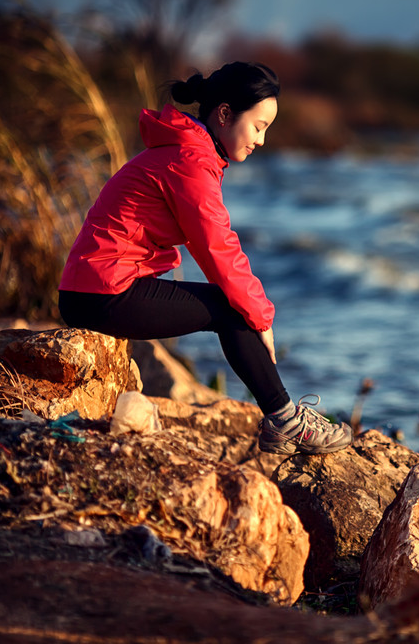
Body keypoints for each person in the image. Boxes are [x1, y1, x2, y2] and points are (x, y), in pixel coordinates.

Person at [58, 61, 352, 456]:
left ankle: (283, 417)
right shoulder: (190, 162)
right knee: (230, 309)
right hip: (101, 294)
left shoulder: (188, 153)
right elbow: (217, 247)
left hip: (96, 288)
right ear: (225, 114)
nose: (261, 141)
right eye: (259, 126)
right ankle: (285, 420)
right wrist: (260, 316)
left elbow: (212, 245)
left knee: (230, 303)